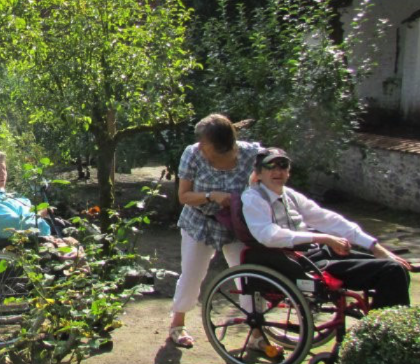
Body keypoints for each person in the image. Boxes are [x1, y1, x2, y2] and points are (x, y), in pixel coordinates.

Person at [242, 147, 411, 309]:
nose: (277, 171)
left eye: (283, 165)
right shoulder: (253, 198)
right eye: (270, 166)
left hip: (318, 254)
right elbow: (268, 235)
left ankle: (386, 323)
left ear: (289, 171)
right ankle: (381, 332)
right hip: (298, 263)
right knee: (391, 271)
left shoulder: (290, 195)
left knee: (395, 264)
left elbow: (327, 219)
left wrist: (374, 246)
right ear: (258, 173)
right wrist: (322, 238)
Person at [169, 114, 261, 348]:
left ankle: (257, 332)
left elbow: (276, 168)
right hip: (201, 221)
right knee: (192, 274)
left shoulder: (251, 154)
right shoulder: (193, 154)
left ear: (223, 145)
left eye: (205, 142)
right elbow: (183, 196)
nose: (200, 146)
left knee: (248, 276)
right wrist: (211, 196)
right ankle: (177, 325)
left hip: (237, 225)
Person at [0, 149, 79, 257]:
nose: (3, 174)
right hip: (23, 246)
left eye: (4, 169)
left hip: (32, 237)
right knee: (76, 249)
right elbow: (14, 225)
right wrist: (39, 216)